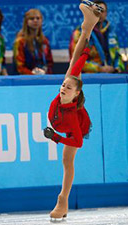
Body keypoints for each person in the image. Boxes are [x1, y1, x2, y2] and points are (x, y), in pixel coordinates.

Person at [43, 0, 103, 219]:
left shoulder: (72, 120)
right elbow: (76, 65)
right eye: (63, 86)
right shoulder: (69, 87)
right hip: (61, 118)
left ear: (76, 94)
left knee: (67, 161)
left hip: (69, 127)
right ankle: (88, 24)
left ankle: (63, 200)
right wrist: (85, 51)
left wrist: (56, 138)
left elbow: (77, 141)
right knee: (72, 66)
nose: (63, 87)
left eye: (67, 87)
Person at [69, 0, 125, 73]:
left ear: (106, 13)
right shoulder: (80, 33)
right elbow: (76, 61)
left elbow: (117, 56)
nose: (99, 13)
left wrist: (117, 68)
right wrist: (100, 69)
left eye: (102, 11)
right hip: (90, 78)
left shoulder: (111, 33)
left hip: (111, 75)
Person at [13, 9, 53, 75]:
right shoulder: (20, 42)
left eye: (38, 18)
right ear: (26, 22)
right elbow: (19, 67)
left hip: (44, 77)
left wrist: (45, 73)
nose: (35, 20)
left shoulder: (45, 41)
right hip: (25, 79)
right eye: (32, 19)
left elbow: (50, 63)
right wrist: (33, 75)